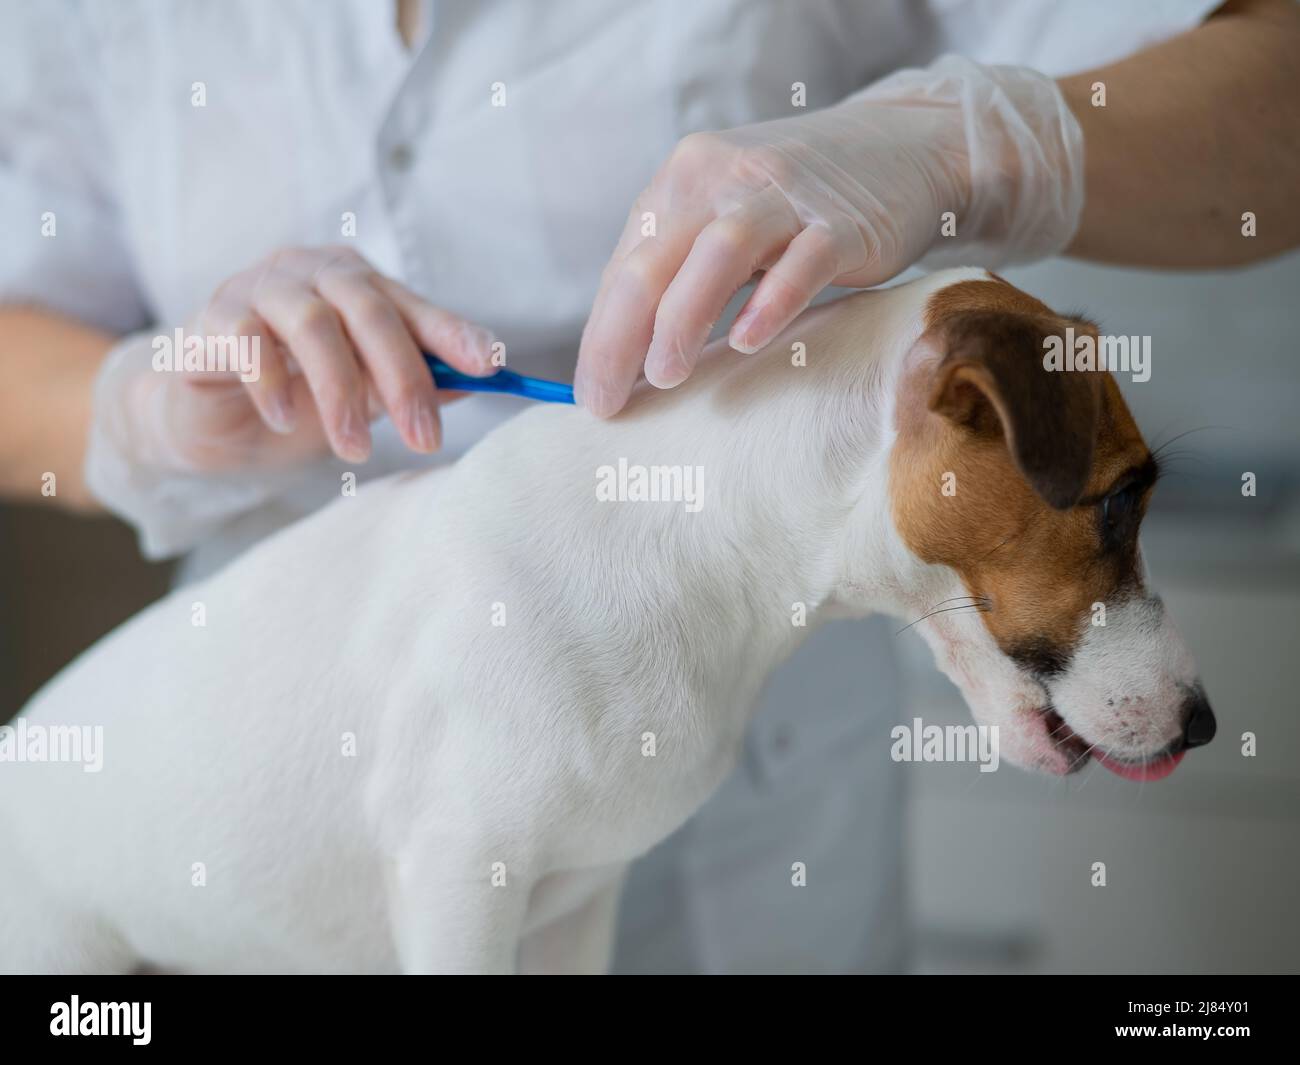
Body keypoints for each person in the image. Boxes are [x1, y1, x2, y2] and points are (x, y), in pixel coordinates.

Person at [2, 0, 1297, 973]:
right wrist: (134, 412)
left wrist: (985, 144)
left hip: (764, 844)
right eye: (1110, 513)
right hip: (219, 826)